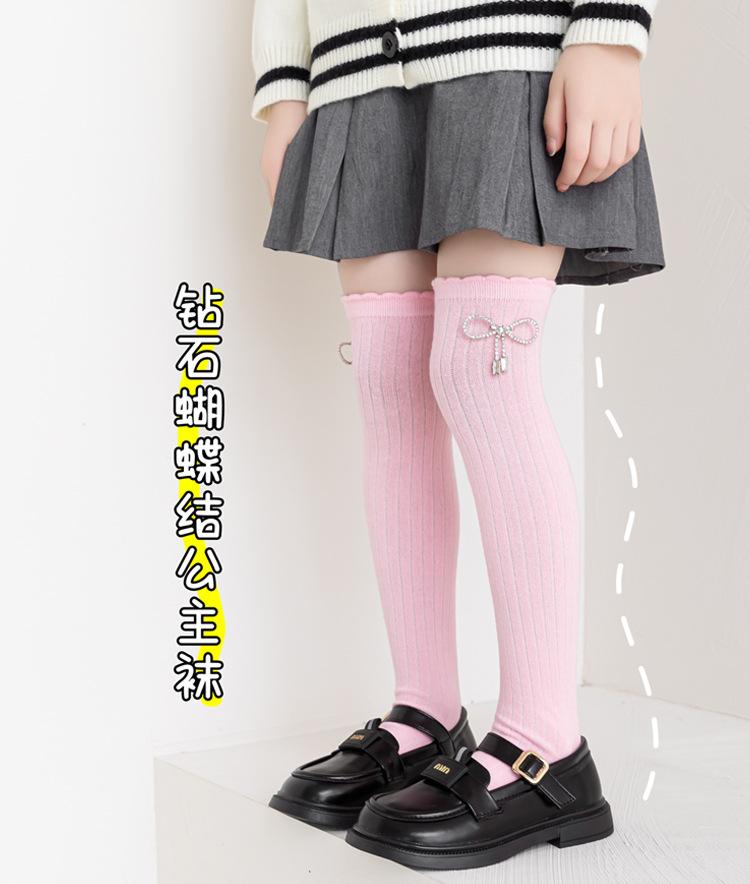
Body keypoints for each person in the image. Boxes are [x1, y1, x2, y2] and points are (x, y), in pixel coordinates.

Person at [253, 0, 663, 871]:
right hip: (355, 68)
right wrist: (285, 89)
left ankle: (546, 744)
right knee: (391, 385)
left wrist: (612, 27)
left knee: (484, 376)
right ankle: (426, 713)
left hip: (508, 39)